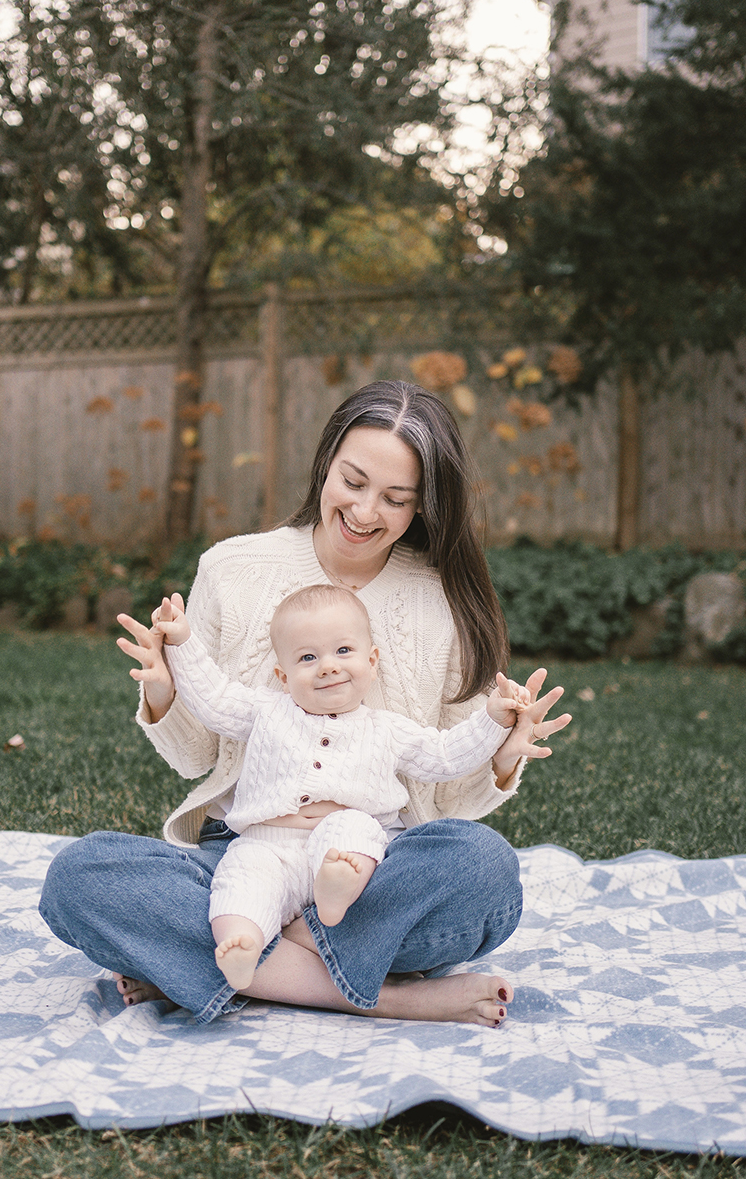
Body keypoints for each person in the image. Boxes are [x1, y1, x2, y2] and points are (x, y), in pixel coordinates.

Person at [40, 379, 570, 1028]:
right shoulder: (233, 570)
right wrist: (166, 692)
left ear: (422, 508)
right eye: (353, 481)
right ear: (326, 462)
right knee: (81, 877)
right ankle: (381, 996)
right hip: (242, 851)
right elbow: (195, 755)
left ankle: (219, 965)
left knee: (482, 870)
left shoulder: (442, 604)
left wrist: (501, 759)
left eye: (396, 499)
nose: (366, 511)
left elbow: (447, 790)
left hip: (371, 868)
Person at [138, 583, 530, 992]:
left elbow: (446, 755)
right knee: (241, 880)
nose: (327, 666)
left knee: (358, 832)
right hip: (266, 843)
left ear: (372, 661)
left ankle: (335, 891)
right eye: (308, 657)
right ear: (282, 675)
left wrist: (494, 720)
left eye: (343, 651)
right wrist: (181, 641)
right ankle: (243, 945)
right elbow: (213, 698)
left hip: (344, 842)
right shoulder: (266, 709)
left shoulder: (388, 729)